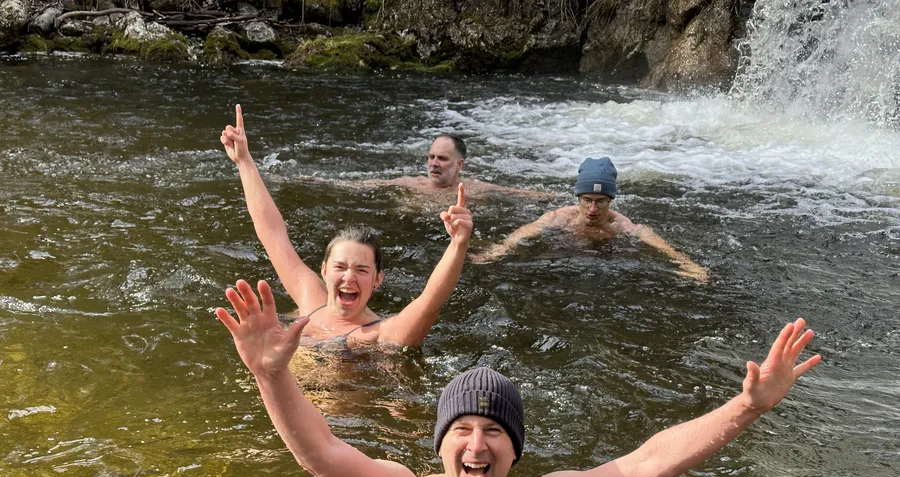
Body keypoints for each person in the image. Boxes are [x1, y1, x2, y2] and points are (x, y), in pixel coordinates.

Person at [216, 278, 822, 477]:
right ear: (441, 442)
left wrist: (748, 407)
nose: (477, 444)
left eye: (494, 432)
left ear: (514, 451)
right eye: (462, 430)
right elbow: (319, 453)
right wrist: (271, 375)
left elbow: (646, 463)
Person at [220, 105, 473, 348]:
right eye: (340, 267)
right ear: (324, 271)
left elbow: (430, 302)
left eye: (362, 270)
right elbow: (272, 233)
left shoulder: (382, 335)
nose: (348, 277)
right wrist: (244, 162)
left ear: (377, 280)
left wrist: (458, 243)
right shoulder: (310, 300)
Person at [471, 157, 710, 282]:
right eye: (587, 200)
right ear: (578, 197)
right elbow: (524, 232)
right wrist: (497, 251)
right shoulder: (559, 217)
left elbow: (661, 246)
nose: (593, 208)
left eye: (601, 201)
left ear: (611, 201)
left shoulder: (621, 225)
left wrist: (690, 266)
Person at [361, 133, 556, 200]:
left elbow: (515, 193)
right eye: (431, 157)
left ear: (459, 164)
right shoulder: (412, 183)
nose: (434, 164)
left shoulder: (472, 189)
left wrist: (552, 198)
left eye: (442, 158)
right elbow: (372, 184)